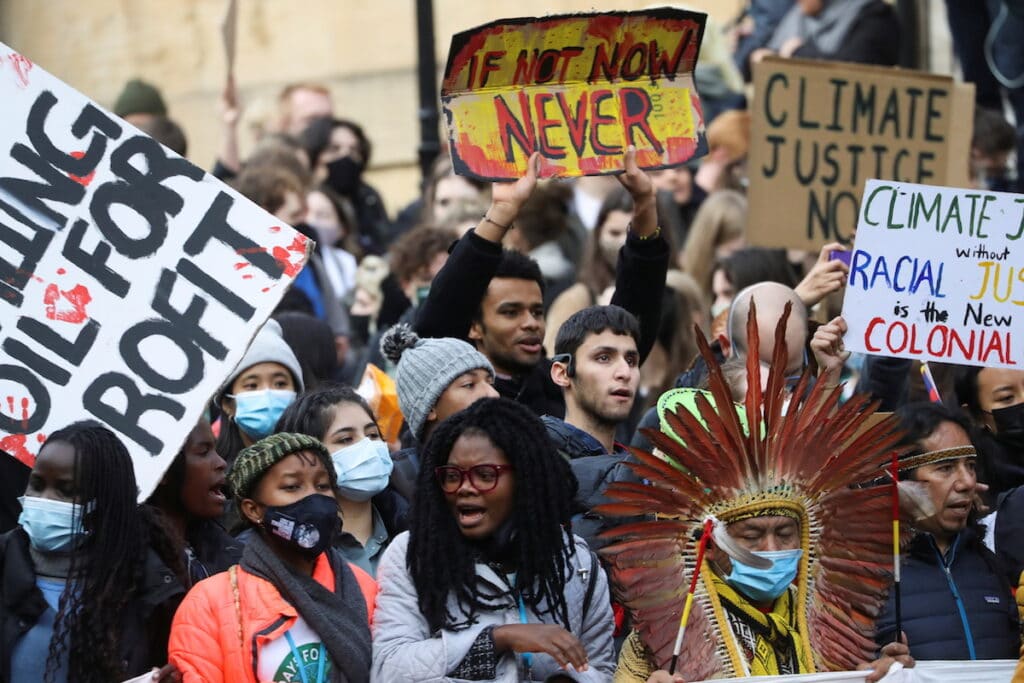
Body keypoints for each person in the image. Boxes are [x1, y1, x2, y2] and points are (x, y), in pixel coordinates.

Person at [603, 309, 911, 682]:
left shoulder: (827, 626)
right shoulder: (663, 638)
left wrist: (885, 675)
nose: (772, 550)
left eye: (784, 533)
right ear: (710, 543)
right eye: (751, 535)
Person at [372, 398, 616, 681]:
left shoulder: (577, 562)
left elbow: (602, 671)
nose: (464, 488)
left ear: (525, 479)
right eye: (452, 476)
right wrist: (498, 640)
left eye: (485, 475)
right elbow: (389, 668)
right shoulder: (412, 554)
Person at [415, 149, 669, 419]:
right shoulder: (452, 395)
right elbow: (438, 318)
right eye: (510, 312)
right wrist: (501, 212)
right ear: (474, 326)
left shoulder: (562, 387)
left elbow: (631, 322)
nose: (531, 323)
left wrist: (644, 204)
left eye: (536, 311)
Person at [169, 432, 376, 683]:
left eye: (322, 486)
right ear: (253, 510)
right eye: (292, 487)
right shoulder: (210, 604)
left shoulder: (363, 587)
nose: (314, 498)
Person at [1, 422, 183, 682]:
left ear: (103, 504)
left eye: (66, 491)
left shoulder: (147, 591)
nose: (45, 499)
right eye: (37, 484)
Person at [875, 401, 1019, 661]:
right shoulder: (865, 578)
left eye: (971, 466)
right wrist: (877, 666)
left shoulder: (992, 564)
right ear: (901, 480)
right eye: (946, 468)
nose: (967, 482)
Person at [276, 386, 406, 577]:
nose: (367, 446)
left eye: (372, 435)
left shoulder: (416, 532)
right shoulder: (289, 554)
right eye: (346, 439)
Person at [379, 324, 498, 501]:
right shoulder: (399, 490)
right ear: (430, 408)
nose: (493, 394)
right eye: (469, 385)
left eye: (490, 383)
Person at [146, 417, 243, 588]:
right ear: (163, 469)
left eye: (215, 449)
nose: (221, 463)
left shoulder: (234, 555)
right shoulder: (134, 572)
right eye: (204, 451)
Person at [217, 319, 304, 468]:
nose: (267, 394)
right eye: (252, 385)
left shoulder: (317, 468)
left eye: (280, 384)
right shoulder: (216, 479)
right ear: (227, 404)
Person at [301, 116, 390, 253]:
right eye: (334, 149)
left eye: (354, 150)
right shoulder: (301, 200)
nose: (346, 156)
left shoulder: (369, 199)